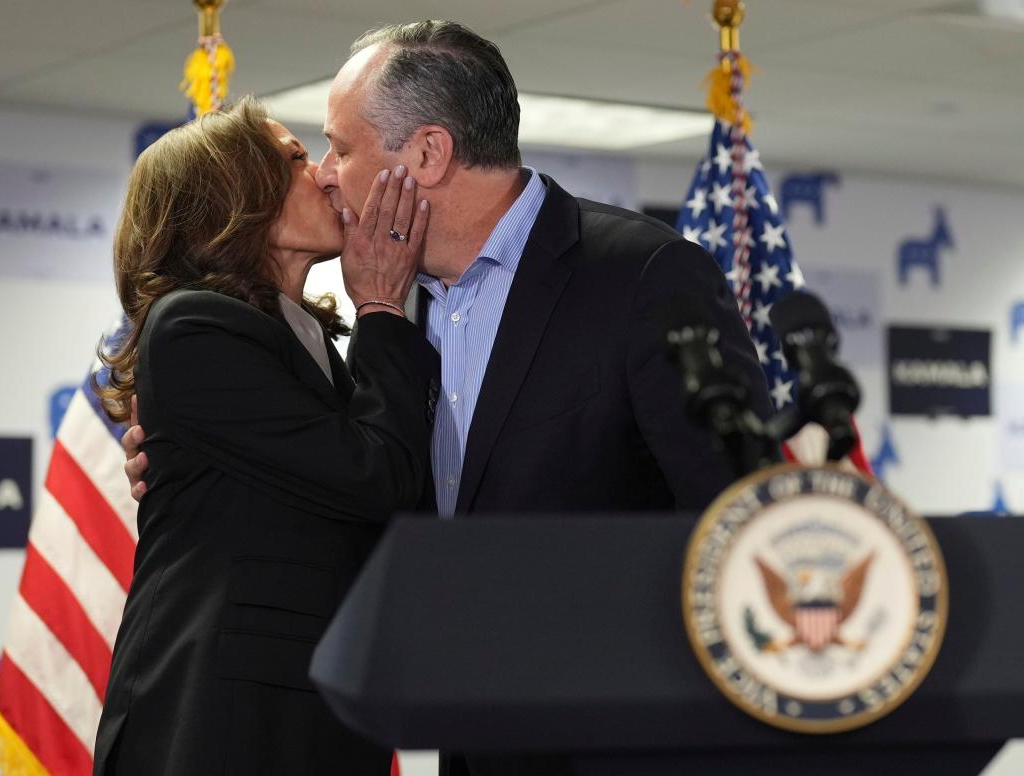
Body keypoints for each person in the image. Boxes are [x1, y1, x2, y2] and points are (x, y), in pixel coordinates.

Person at [122, 21, 774, 776]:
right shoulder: (394, 313)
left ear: (427, 154)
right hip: (463, 739)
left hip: (619, 740)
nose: (329, 173)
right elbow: (369, 485)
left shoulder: (641, 275)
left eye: (339, 147)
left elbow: (740, 518)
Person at [91, 97, 439, 776]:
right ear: (235, 196)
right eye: (297, 159)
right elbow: (374, 478)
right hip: (219, 722)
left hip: (305, 711)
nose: (328, 176)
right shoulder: (192, 326)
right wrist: (381, 307)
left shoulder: (303, 335)